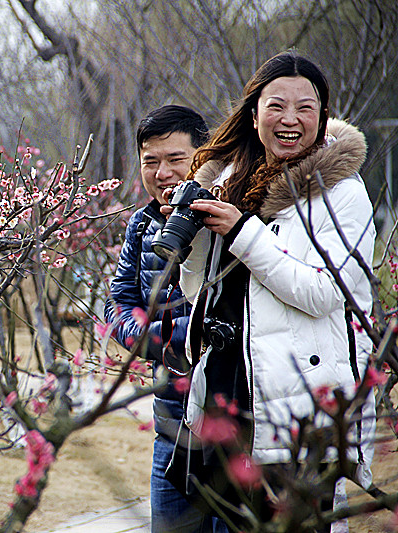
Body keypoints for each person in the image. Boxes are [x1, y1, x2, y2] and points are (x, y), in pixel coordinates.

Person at [176, 52, 376, 530]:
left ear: (323, 117)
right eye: (276, 106)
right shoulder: (227, 182)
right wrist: (194, 239)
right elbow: (195, 291)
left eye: (306, 108)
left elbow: (325, 293)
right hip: (229, 395)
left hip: (298, 409)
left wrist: (242, 232)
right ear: (253, 114)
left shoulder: (342, 192)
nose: (290, 120)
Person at [104, 105, 225, 532]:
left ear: (202, 158)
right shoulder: (141, 224)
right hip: (171, 429)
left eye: (176, 160)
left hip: (233, 428)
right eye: (150, 162)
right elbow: (117, 303)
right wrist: (150, 338)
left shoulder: (227, 218)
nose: (162, 173)